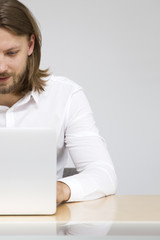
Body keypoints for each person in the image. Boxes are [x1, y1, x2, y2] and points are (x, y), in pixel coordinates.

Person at [0, 0, 117, 204]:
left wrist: (62, 190)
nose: (1, 67)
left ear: (30, 45)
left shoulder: (65, 96)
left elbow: (103, 174)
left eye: (11, 53)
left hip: (43, 228)